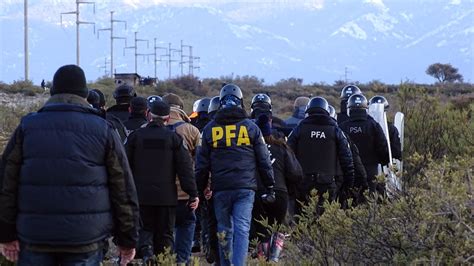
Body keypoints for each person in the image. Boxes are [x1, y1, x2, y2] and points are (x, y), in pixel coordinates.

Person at [0, 64, 139, 266]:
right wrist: (127, 239)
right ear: (84, 94)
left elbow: (6, 184)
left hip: (35, 236)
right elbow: (123, 188)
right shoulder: (103, 129)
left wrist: (6, 233)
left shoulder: (27, 126)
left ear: (53, 91)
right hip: (85, 239)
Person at [196, 84, 275, 266]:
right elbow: (264, 159)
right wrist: (269, 185)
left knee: (224, 229)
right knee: (242, 228)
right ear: (241, 103)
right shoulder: (251, 128)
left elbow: (201, 165)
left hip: (221, 187)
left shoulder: (209, 129)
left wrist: (199, 190)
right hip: (245, 187)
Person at [125, 99, 199, 259]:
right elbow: (185, 169)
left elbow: (124, 168)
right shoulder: (173, 139)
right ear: (166, 119)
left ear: (148, 114)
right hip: (166, 198)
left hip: (141, 197)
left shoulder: (136, 138)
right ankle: (161, 261)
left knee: (144, 232)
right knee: (165, 237)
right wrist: (193, 193)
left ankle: (146, 255)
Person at [287, 97, 354, 215]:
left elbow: (287, 155)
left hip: (303, 184)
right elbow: (347, 159)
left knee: (303, 218)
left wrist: (291, 182)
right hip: (328, 183)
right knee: (326, 220)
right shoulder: (335, 131)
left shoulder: (299, 129)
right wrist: (348, 184)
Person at [252, 114, 303, 262]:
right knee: (277, 229)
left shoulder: (250, 148)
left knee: (262, 232)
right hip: (279, 193)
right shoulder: (282, 147)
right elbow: (296, 173)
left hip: (257, 192)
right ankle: (274, 259)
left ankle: (263, 259)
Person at [161, 93, 202, 263]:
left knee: (161, 230)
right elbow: (200, 164)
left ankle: (163, 259)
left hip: (157, 194)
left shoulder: (147, 129)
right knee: (186, 224)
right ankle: (182, 260)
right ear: (181, 109)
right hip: (184, 194)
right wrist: (200, 190)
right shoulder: (192, 131)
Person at [339, 94, 390, 195]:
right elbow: (382, 146)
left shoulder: (343, 127)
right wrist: (384, 161)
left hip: (350, 171)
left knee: (350, 198)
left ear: (349, 109)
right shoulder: (373, 125)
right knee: (369, 198)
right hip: (371, 169)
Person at [328, 105, 368, 207]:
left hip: (306, 183)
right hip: (335, 183)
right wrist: (351, 186)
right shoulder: (340, 134)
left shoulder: (301, 131)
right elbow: (352, 162)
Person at [369, 95, 402, 160]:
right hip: (385, 163)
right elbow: (396, 152)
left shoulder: (367, 126)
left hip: (370, 163)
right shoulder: (392, 128)